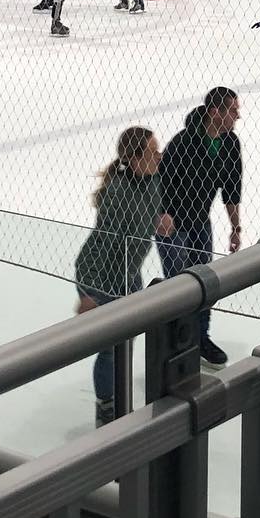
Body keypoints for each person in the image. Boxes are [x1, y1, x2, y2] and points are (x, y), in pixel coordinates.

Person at [75, 126, 173, 424]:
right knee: (109, 350)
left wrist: (159, 219)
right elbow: (101, 247)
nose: (159, 156)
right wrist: (88, 293)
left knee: (126, 344)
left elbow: (149, 210)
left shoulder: (153, 179)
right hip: (103, 279)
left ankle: (117, 398)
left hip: (130, 277)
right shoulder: (116, 194)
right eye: (152, 151)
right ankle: (106, 406)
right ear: (133, 158)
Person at [157, 87, 243, 366]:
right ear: (215, 112)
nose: (238, 116)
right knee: (180, 286)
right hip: (171, 224)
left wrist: (235, 227)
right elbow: (160, 182)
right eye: (233, 110)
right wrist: (162, 214)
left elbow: (231, 189)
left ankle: (200, 337)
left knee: (205, 284)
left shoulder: (230, 144)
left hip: (199, 222)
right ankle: (178, 343)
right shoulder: (182, 143)